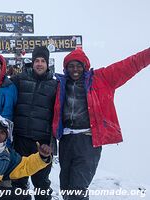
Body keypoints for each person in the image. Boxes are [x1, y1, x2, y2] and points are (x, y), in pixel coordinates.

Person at [52, 47, 150, 200]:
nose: (75, 69)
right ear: (65, 68)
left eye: (79, 65)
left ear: (86, 66)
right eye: (71, 66)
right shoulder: (60, 85)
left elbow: (131, 64)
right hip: (66, 141)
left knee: (78, 189)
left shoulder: (102, 78)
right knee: (66, 188)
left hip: (88, 141)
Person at [10, 46, 57, 200]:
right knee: (18, 182)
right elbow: (2, 84)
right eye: (37, 60)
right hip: (20, 140)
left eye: (43, 61)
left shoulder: (55, 85)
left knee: (41, 184)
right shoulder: (20, 79)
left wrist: (51, 142)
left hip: (41, 143)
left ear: (47, 63)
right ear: (33, 61)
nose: (39, 64)